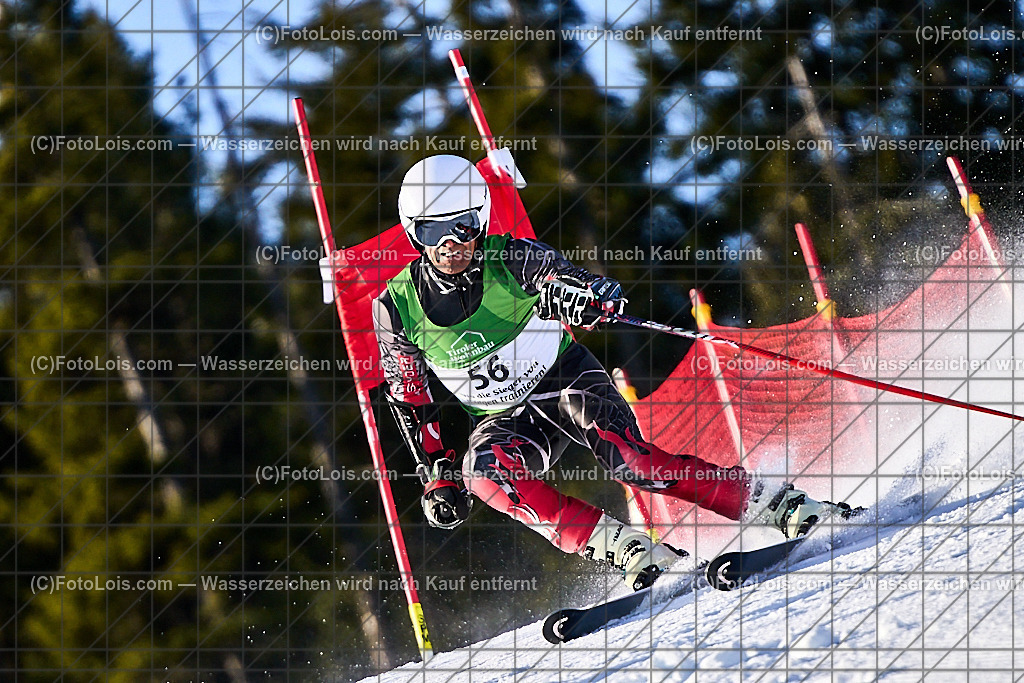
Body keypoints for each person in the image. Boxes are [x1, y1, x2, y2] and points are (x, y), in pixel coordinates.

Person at [373, 155, 855, 591]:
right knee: (485, 477)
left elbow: (564, 276)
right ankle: (628, 548)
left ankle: (779, 505)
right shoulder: (396, 307)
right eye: (436, 231)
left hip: (564, 381)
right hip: (505, 418)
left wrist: (583, 295)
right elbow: (410, 398)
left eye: (463, 225)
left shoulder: (511, 256)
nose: (453, 244)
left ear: (480, 220)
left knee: (635, 464)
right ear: (414, 233)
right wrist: (436, 474)